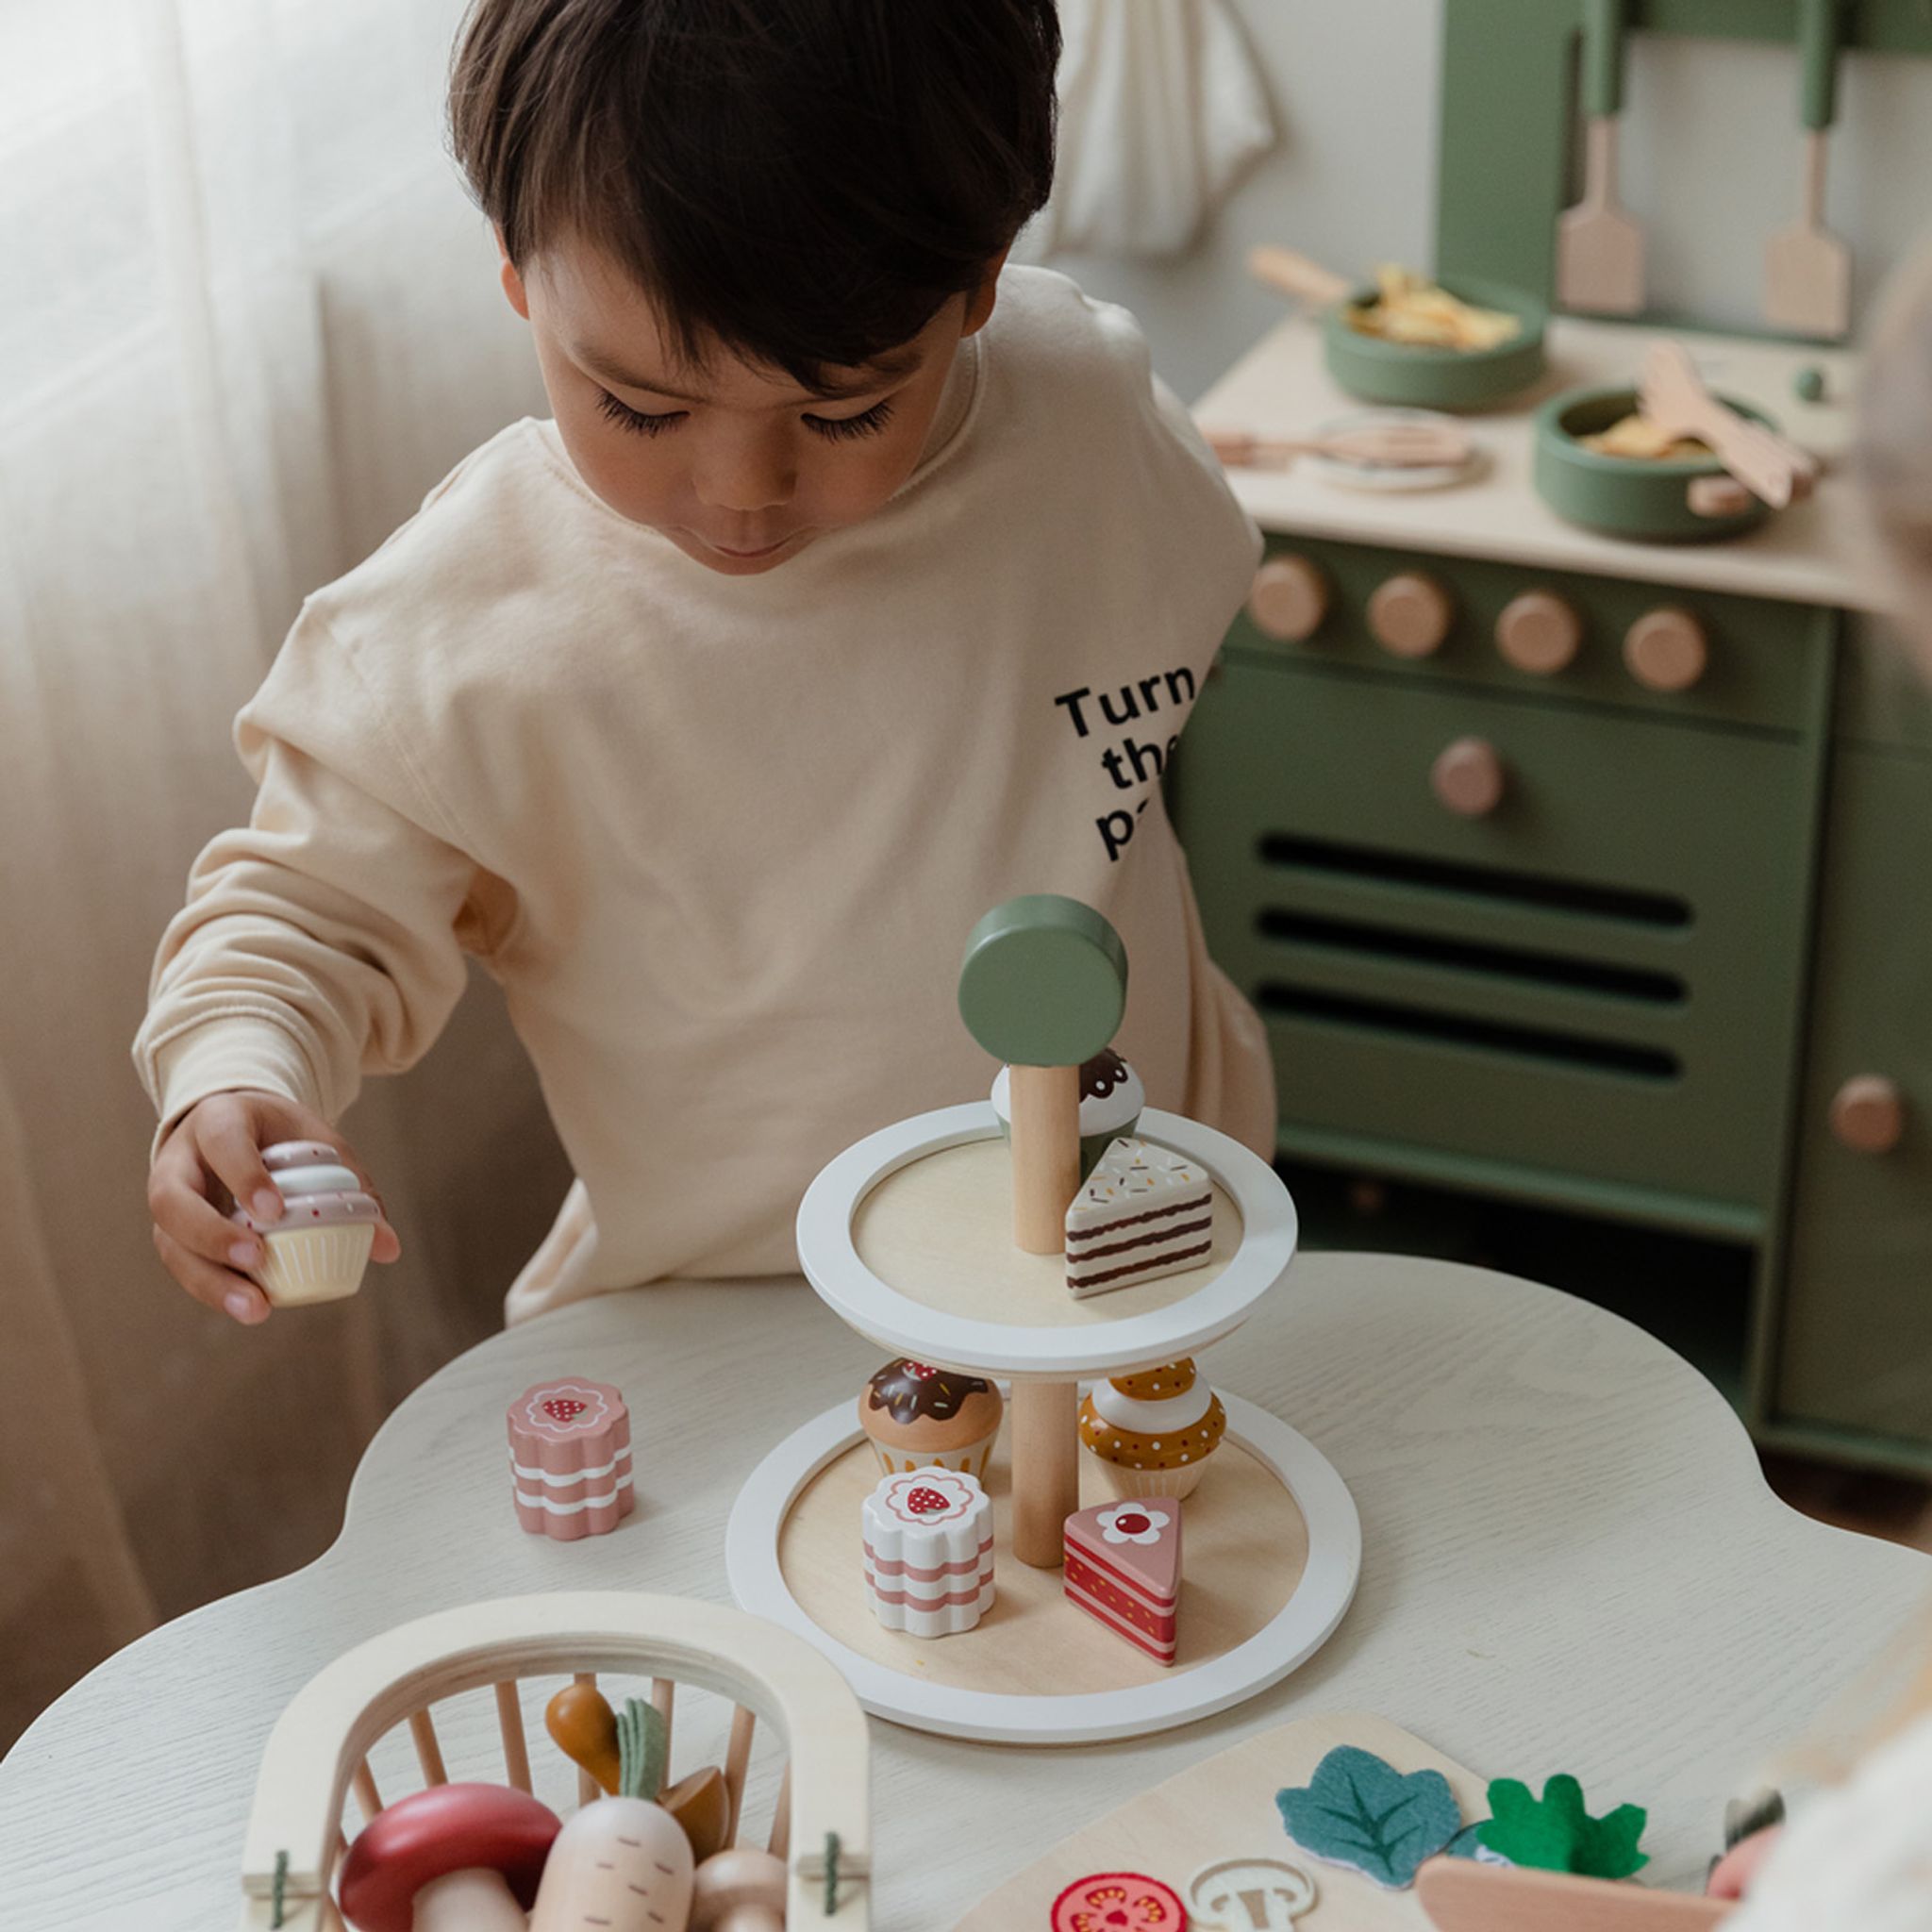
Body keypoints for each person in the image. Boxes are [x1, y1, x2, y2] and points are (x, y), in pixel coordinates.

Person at [136, 0, 1274, 1325]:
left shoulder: (1084, 412)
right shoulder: (456, 632)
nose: (744, 493)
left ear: (978, 285)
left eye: (845, 409)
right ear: (514, 269)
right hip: (740, 1323)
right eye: (641, 406)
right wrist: (234, 1071)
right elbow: (299, 919)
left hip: (1152, 1250)